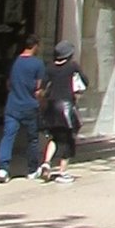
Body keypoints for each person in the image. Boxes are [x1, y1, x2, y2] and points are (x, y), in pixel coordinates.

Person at [0, 33, 47, 183]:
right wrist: (42, 101)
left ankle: (3, 169)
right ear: (35, 46)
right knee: (32, 139)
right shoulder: (38, 64)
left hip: (13, 105)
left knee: (8, 137)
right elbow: (38, 88)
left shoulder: (14, 62)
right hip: (30, 106)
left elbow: (9, 84)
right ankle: (32, 169)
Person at [38, 40, 89, 181]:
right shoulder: (72, 66)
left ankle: (46, 162)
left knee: (54, 137)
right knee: (68, 140)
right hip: (66, 107)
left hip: (52, 106)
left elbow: (42, 87)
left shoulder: (50, 68)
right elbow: (85, 82)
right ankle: (62, 172)